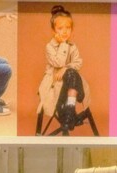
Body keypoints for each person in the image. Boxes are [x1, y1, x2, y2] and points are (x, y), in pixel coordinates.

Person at [36, 5, 83, 133]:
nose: (65, 31)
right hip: (54, 82)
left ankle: (70, 110)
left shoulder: (73, 46)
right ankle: (70, 113)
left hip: (70, 82)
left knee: (71, 73)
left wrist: (65, 69)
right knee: (71, 73)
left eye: (68, 28)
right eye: (60, 28)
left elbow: (78, 63)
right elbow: (59, 62)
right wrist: (62, 44)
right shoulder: (49, 47)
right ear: (53, 31)